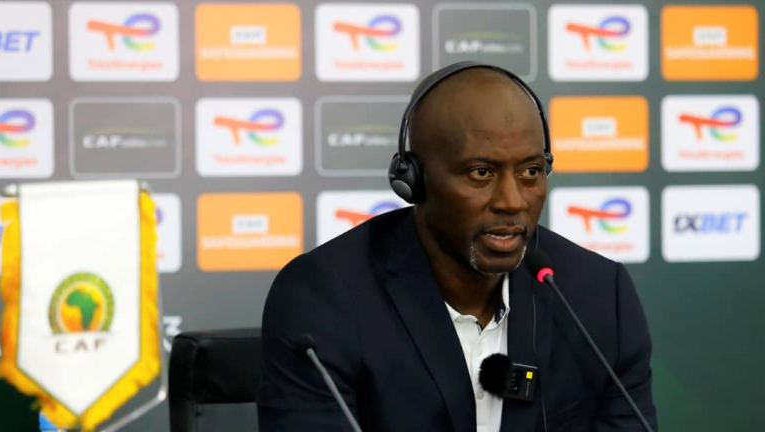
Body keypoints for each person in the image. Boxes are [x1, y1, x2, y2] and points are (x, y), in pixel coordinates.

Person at [257, 62, 657, 432]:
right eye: (481, 173)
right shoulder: (325, 297)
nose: (513, 200)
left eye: (531, 171)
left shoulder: (598, 297)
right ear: (414, 179)